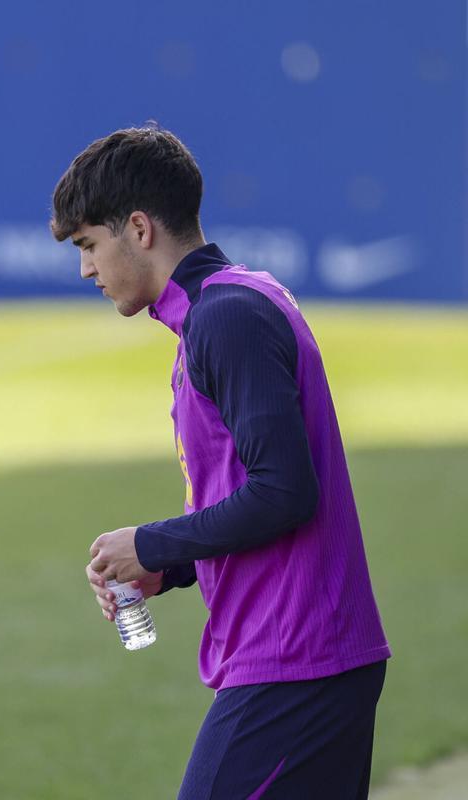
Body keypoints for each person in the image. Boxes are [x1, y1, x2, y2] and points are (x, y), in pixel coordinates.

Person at [50, 127, 390, 798]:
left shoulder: (226, 317)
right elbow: (249, 490)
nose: (86, 268)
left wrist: (149, 541)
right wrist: (166, 565)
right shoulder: (224, 306)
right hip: (295, 658)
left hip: (298, 662)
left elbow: (286, 491)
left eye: (89, 244)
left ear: (138, 228)